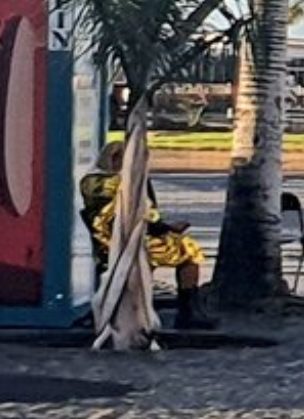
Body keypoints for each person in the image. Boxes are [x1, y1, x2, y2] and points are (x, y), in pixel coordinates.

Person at [78, 141, 216, 330]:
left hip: (124, 238)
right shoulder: (111, 183)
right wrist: (166, 228)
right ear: (116, 160)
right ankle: (188, 310)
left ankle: (186, 309)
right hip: (125, 240)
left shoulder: (96, 181)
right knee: (188, 251)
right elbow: (128, 216)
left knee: (182, 246)